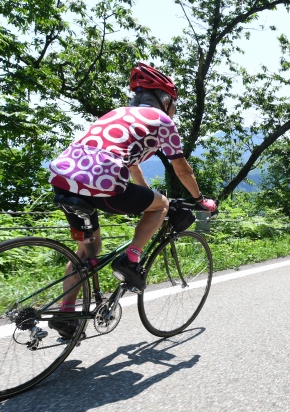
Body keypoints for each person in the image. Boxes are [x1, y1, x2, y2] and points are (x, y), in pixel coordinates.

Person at [47, 62, 216, 338]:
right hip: (101, 182)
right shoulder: (163, 121)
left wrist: (147, 197)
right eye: (174, 104)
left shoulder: (116, 114)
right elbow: (182, 169)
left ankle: (66, 312)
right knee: (161, 204)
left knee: (86, 249)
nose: (174, 110)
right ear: (165, 100)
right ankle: (130, 260)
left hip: (65, 180)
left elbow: (133, 165)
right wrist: (199, 200)